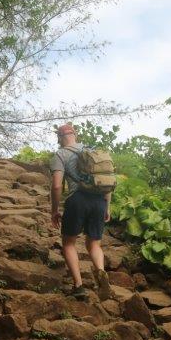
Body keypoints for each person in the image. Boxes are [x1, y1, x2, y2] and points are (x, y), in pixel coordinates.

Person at [50, 123, 112, 300]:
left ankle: (79, 286)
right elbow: (106, 180)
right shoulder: (93, 152)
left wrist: (54, 211)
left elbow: (56, 186)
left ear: (60, 138)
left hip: (77, 200)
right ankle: (101, 273)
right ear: (75, 135)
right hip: (99, 200)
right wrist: (107, 206)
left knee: (69, 243)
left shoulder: (61, 154)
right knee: (94, 244)